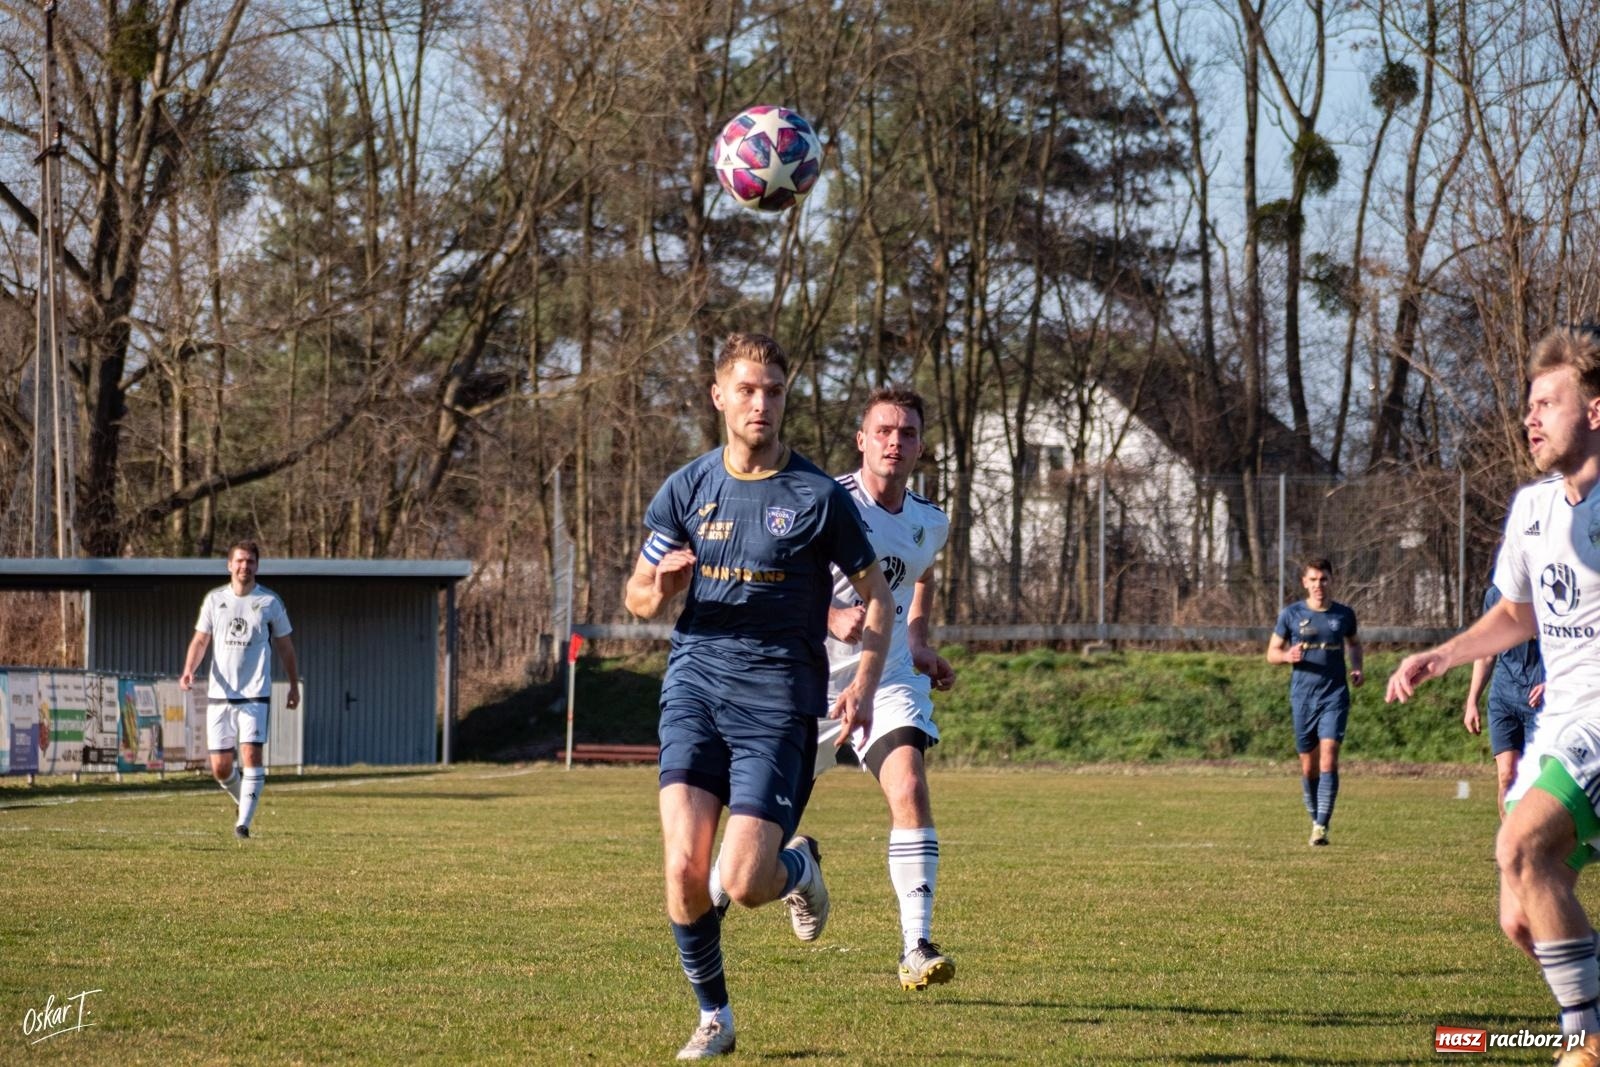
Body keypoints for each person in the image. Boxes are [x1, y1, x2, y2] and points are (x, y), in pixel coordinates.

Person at [624, 332, 894, 1061]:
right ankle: (716, 1015)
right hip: (694, 685)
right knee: (684, 868)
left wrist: (864, 684)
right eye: (747, 389)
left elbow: (879, 599)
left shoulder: (815, 496)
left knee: (741, 882)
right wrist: (661, 585)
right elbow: (637, 593)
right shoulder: (686, 488)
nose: (762, 403)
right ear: (719, 396)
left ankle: (799, 866)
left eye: (774, 390)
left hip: (778, 700)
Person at [1388, 325, 1600, 1067]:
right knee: (1522, 917)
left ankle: (1586, 1043)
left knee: (1519, 844)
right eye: (1528, 404)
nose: (1530, 418)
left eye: (1549, 401)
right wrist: (1443, 654)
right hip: (1556, 723)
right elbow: (1516, 614)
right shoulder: (1534, 510)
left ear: (1596, 411)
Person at [813, 385, 958, 991]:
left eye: (907, 433)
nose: (894, 442)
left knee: (910, 784)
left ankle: (916, 944)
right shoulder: (825, 503)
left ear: (921, 446)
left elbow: (919, 578)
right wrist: (828, 613)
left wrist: (918, 641)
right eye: (883, 431)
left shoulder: (931, 520)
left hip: (890, 674)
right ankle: (795, 868)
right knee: (758, 840)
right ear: (862, 440)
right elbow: (780, 575)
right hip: (807, 678)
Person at [179, 540, 300, 840]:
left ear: (257, 566)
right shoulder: (214, 600)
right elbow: (200, 640)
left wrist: (293, 685)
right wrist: (189, 670)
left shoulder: (270, 602)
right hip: (220, 694)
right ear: (229, 565)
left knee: (251, 756)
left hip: (254, 694)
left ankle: (242, 826)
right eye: (240, 561)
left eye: (250, 562)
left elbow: (286, 647)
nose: (245, 566)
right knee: (220, 768)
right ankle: (243, 802)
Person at [1266, 558, 1364, 846]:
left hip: (1334, 695)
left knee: (1329, 756)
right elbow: (1271, 652)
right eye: (1313, 579)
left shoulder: (1344, 615)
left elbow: (1355, 643)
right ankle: (1314, 817)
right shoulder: (1291, 614)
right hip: (1302, 698)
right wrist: (1286, 656)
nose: (1319, 585)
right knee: (1308, 767)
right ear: (1304, 582)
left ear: (1331, 581)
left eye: (1323, 579)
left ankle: (1321, 826)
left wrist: (1357, 667)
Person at [1463, 581, 1545, 816]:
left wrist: (1551, 682)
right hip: (1503, 697)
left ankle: (1535, 843)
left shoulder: (1551, 593)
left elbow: (1573, 647)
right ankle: (1511, 847)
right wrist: (1472, 701)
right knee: (1506, 776)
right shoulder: (1495, 595)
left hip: (1539, 702)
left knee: (1535, 780)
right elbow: (1487, 652)